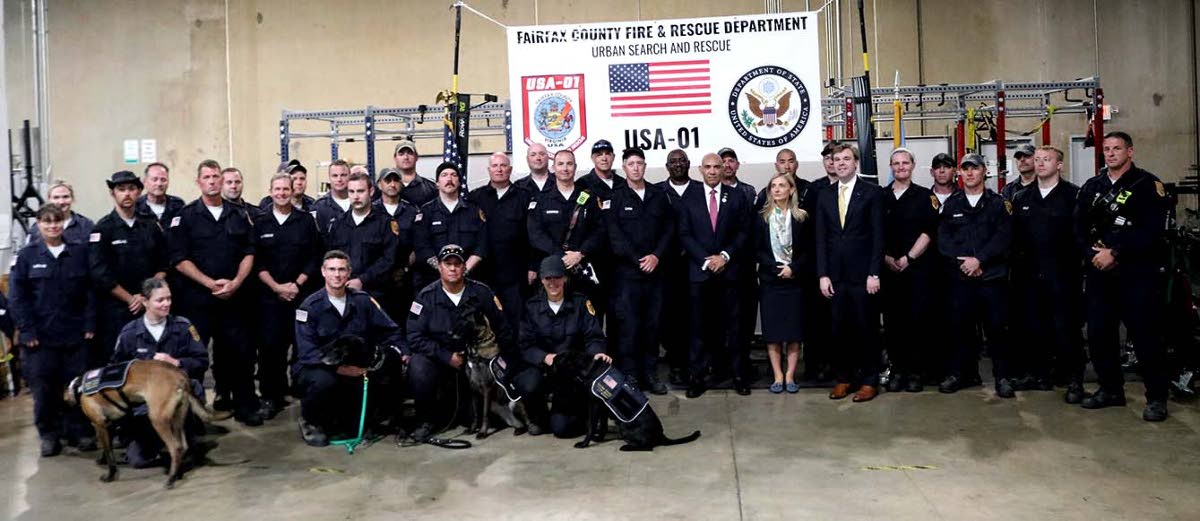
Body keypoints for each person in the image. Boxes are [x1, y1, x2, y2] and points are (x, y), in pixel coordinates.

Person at [1074, 131, 1171, 421]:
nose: (1111, 153)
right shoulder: (1093, 186)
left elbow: (1152, 231)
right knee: (1101, 334)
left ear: (1130, 151)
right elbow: (1077, 227)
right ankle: (1110, 390)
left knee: (1146, 336)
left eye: (1117, 148)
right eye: (1107, 149)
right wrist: (1092, 254)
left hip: (1136, 273)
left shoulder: (1147, 185)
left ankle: (1156, 398)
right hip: (1099, 274)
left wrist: (1115, 252)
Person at [167, 159, 261, 425]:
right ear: (198, 182)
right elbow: (179, 259)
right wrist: (210, 284)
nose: (212, 181)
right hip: (198, 301)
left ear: (222, 180)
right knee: (195, 358)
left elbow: (249, 252)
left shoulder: (239, 214)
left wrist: (236, 282)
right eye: (206, 177)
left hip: (234, 298)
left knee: (240, 353)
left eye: (216, 176)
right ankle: (192, 415)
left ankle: (245, 405)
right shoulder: (185, 217)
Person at [293, 250, 407, 446]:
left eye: (341, 270)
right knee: (323, 381)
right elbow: (307, 353)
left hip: (355, 368)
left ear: (349, 273)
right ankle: (310, 421)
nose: (337, 275)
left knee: (388, 363)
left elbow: (390, 330)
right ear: (323, 272)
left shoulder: (362, 301)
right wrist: (341, 370)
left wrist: (402, 352)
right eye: (332, 269)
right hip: (318, 368)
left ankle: (377, 416)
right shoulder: (309, 307)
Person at [10, 204, 97, 457]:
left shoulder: (78, 253)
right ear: (38, 224)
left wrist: (90, 324)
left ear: (63, 223)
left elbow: (91, 292)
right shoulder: (27, 256)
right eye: (47, 222)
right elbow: (18, 298)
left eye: (57, 221)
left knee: (77, 387)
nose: (52, 226)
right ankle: (49, 434)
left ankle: (80, 431)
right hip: (40, 339)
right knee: (44, 390)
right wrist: (27, 331)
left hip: (75, 335)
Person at [406, 245, 514, 442]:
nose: (453, 269)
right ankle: (424, 422)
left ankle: (480, 415)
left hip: (477, 362)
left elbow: (503, 329)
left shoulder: (482, 293)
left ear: (465, 267)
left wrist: (499, 362)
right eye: (448, 264)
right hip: (441, 359)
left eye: (458, 264)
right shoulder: (425, 296)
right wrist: (446, 356)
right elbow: (414, 336)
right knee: (418, 366)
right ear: (439, 267)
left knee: (470, 419)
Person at [1011, 146, 1085, 403]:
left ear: (1059, 164)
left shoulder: (1074, 196)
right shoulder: (1021, 198)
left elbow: (1080, 236)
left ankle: (1074, 378)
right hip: (1030, 276)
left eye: (1047, 159)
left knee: (1066, 329)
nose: (1040, 164)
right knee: (1034, 327)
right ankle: (1038, 374)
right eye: (1038, 159)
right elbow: (1015, 239)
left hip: (1063, 275)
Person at [937, 153, 1015, 397]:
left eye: (975, 168)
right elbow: (944, 240)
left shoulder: (998, 203)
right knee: (961, 330)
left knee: (997, 331)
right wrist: (964, 263)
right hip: (962, 280)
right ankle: (962, 374)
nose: (970, 173)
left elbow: (1004, 237)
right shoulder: (951, 204)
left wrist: (980, 260)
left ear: (984, 172)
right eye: (965, 169)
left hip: (992, 279)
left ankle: (1002, 377)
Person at [110, 278, 209, 467]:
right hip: (144, 407)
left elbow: (202, 361)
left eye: (169, 299)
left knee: (188, 459)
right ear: (145, 301)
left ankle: (186, 437)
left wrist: (176, 362)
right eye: (160, 300)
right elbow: (116, 370)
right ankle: (152, 443)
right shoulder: (129, 333)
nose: (166, 304)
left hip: (178, 401)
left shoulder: (184, 326)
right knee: (138, 461)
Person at [676, 153, 752, 398]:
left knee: (735, 328)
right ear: (700, 169)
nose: (712, 171)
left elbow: (743, 232)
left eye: (717, 166)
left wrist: (725, 256)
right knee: (698, 329)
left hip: (729, 274)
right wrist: (706, 261)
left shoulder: (737, 196)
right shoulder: (688, 197)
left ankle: (739, 376)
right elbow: (684, 234)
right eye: (707, 167)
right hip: (700, 275)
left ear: (724, 169)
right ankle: (697, 377)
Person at [816, 144, 885, 402]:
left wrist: (875, 273)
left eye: (847, 158)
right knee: (839, 329)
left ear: (856, 163)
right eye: (837, 159)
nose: (841, 163)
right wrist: (822, 274)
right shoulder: (824, 194)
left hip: (863, 276)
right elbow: (820, 237)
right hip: (834, 276)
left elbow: (879, 237)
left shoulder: (872, 193)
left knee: (865, 328)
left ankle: (869, 381)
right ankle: (844, 378)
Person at [512, 256, 609, 437]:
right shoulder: (531, 307)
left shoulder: (581, 303)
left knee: (562, 429)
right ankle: (538, 418)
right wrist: (545, 357)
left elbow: (593, 337)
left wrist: (597, 354)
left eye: (557, 277)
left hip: (570, 373)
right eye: (548, 278)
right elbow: (525, 345)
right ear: (542, 280)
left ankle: (579, 414)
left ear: (565, 278)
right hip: (545, 368)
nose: (553, 283)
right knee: (528, 383)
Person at [603, 148, 673, 395]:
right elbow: (614, 236)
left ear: (645, 166)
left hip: (655, 273)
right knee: (629, 328)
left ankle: (650, 374)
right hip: (627, 276)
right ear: (624, 167)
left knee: (652, 327)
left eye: (639, 163)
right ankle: (631, 376)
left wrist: (656, 256)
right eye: (631, 163)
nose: (635, 168)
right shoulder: (615, 197)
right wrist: (637, 260)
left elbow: (669, 229)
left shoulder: (658, 194)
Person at [253, 173, 324, 418]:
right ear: (270, 191)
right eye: (277, 189)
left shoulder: (305, 221)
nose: (282, 193)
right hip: (270, 297)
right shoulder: (260, 222)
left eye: (286, 189)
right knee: (271, 348)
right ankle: (272, 396)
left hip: (301, 295)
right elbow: (256, 261)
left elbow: (315, 257)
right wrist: (276, 287)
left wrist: (296, 284)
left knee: (301, 345)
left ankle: (304, 392)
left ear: (293, 190)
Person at [88, 171, 168, 367]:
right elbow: (100, 273)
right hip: (117, 309)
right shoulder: (102, 229)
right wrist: (131, 299)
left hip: (150, 307)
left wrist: (147, 296)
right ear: (112, 193)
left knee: (152, 363)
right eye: (121, 189)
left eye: (131, 189)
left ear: (139, 191)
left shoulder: (150, 226)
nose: (127, 194)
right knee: (119, 363)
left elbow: (164, 263)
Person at [881, 149, 939, 392]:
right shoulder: (880, 196)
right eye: (896, 163)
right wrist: (886, 257)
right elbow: (874, 232)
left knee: (917, 322)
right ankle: (898, 370)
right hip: (888, 270)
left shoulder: (926, 197)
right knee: (893, 324)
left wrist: (909, 257)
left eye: (905, 163)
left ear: (913, 165)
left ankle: (916, 372)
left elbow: (929, 231)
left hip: (916, 271)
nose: (901, 167)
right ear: (891, 167)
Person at [526, 149, 606, 317]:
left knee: (589, 317)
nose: (565, 168)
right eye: (560, 164)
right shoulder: (541, 200)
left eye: (569, 164)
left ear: (575, 167)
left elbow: (599, 230)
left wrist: (580, 253)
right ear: (553, 168)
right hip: (553, 271)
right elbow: (536, 234)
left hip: (583, 269)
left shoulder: (588, 197)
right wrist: (561, 256)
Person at [466, 152, 536, 328]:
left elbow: (533, 234)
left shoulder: (524, 196)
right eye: (495, 166)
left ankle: (516, 356)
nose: (499, 169)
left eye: (503, 165)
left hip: (516, 274)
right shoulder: (476, 197)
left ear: (510, 170)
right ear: (489, 170)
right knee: (487, 321)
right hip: (483, 273)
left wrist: (533, 266)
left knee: (517, 321)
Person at [755, 173, 808, 393]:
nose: (777, 190)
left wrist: (793, 268)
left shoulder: (802, 217)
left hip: (795, 281)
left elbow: (809, 250)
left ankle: (790, 376)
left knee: (794, 332)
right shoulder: (761, 217)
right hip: (771, 281)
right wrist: (775, 268)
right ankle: (777, 376)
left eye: (782, 186)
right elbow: (756, 248)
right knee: (773, 332)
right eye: (773, 186)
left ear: (791, 189)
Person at [657, 149, 700, 386]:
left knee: (697, 317)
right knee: (671, 319)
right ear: (667, 166)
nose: (678, 165)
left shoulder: (700, 190)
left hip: (697, 265)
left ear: (689, 164)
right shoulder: (657, 192)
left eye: (681, 161)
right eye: (673, 162)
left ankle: (697, 365)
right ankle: (675, 365)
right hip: (668, 267)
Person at [326, 172, 399, 307]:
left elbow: (389, 259)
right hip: (343, 292)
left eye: (360, 191)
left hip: (377, 294)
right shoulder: (338, 225)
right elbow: (331, 257)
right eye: (351, 191)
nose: (356, 196)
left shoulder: (384, 223)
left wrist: (362, 280)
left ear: (371, 191)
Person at [413, 162, 489, 289]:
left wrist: (463, 270)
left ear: (459, 182)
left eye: (454, 175)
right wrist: (444, 270)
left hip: (469, 279)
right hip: (434, 281)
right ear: (436, 184)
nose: (449, 179)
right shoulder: (426, 212)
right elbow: (422, 246)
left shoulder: (474, 211)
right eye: (444, 175)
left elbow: (482, 244)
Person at [373, 167, 421, 324]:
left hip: (406, 280)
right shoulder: (372, 211)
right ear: (379, 185)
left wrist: (405, 268)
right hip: (378, 281)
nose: (392, 184)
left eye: (396, 180)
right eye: (388, 180)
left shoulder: (412, 211)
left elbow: (418, 244)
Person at [28, 181, 94, 245]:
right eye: (56, 197)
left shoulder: (86, 225)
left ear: (72, 199)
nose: (61, 202)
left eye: (65, 197)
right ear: (49, 200)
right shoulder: (37, 227)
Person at [310, 159, 353, 237]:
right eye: (335, 176)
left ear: (350, 176)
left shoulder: (358, 202)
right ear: (329, 178)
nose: (339, 179)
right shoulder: (319, 207)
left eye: (343, 175)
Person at [136, 162, 186, 226]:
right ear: (145, 182)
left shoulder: (178, 205)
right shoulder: (136, 206)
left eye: (163, 180)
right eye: (154, 179)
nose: (159, 184)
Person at [393, 140, 439, 207]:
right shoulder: (385, 187)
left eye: (410, 153)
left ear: (416, 157)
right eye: (401, 154)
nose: (406, 157)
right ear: (395, 158)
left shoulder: (430, 187)